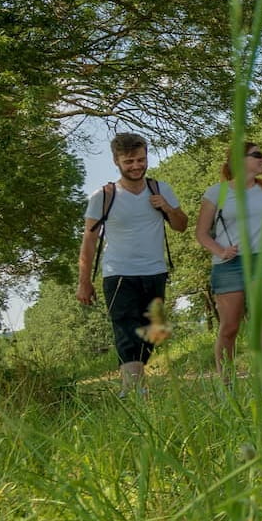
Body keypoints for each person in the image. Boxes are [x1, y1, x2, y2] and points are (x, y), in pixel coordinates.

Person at [76, 132, 189, 397]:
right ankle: (133, 389)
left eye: (140, 159)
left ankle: (136, 384)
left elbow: (182, 226)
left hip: (155, 271)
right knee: (126, 327)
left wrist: (167, 208)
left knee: (150, 331)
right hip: (118, 274)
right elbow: (89, 242)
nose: (136, 166)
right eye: (129, 162)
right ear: (117, 161)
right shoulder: (103, 196)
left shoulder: (160, 189)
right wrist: (84, 281)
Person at [194, 142, 262, 376]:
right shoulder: (217, 193)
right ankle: (227, 382)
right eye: (257, 155)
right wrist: (220, 251)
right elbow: (201, 233)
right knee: (230, 327)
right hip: (229, 266)